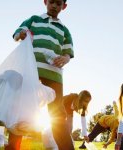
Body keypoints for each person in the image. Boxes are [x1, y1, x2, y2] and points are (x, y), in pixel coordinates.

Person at [7, 0, 75, 149]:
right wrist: (21, 34)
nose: (54, 6)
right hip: (31, 72)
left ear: (64, 6)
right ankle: (12, 147)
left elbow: (68, 52)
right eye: (51, 2)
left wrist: (65, 58)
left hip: (54, 77)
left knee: (57, 116)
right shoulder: (34, 20)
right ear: (45, 2)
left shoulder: (64, 30)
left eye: (58, 4)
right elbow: (17, 33)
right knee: (22, 111)